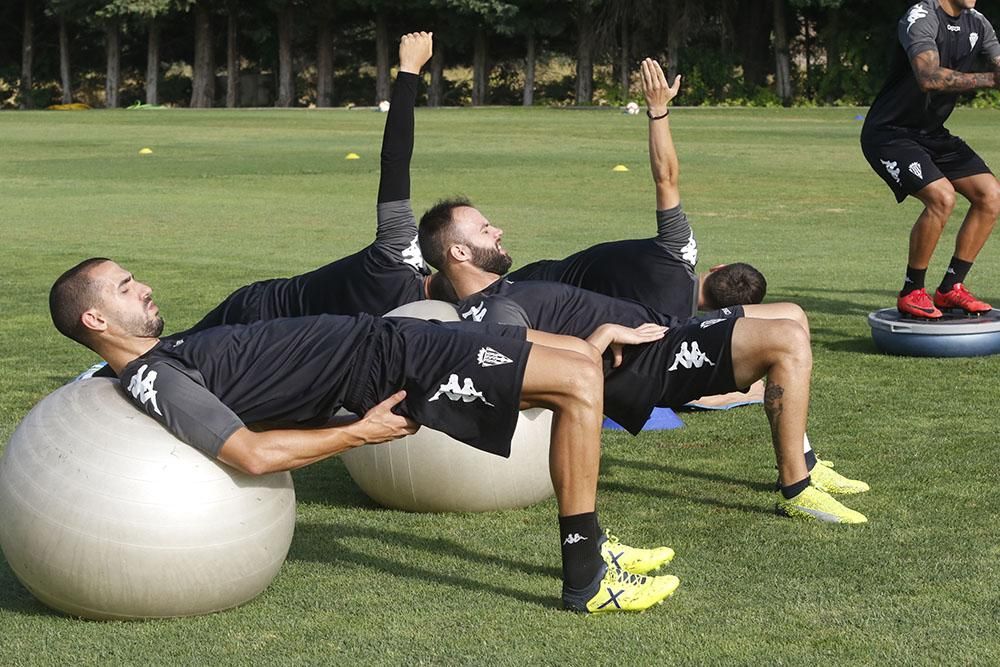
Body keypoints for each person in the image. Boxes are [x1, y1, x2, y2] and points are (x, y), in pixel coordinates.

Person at [49, 256, 681, 614]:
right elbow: (251, 452)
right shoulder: (156, 377)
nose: (147, 286)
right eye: (128, 287)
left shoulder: (167, 351)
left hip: (394, 341)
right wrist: (362, 433)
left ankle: (592, 549)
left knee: (577, 369)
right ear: (96, 316)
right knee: (576, 382)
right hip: (389, 365)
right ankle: (586, 576)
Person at [419, 59, 871, 525]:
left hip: (660, 336)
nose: (498, 230)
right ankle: (796, 488)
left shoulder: (514, 285)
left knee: (793, 315)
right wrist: (601, 338)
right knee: (786, 340)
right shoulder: (492, 309)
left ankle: (808, 463)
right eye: (484, 228)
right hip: (650, 362)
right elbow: (514, 367)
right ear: (458, 251)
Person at [506, 70, 764, 320]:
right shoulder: (672, 329)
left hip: (530, 282)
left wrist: (658, 110)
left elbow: (666, 179)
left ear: (718, 268)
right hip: (542, 323)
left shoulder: (678, 248)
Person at [862, 0, 1000, 319]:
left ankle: (951, 288)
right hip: (889, 133)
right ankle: (912, 291)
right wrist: (991, 80)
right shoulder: (921, 18)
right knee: (942, 198)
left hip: (932, 133)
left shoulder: (978, 23)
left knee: (990, 195)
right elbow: (929, 77)